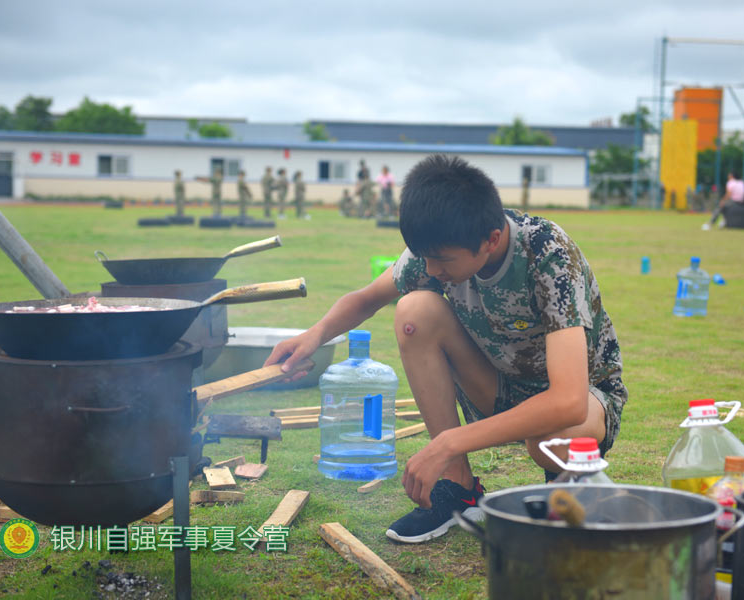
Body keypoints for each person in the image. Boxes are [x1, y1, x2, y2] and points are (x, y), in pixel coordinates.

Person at [264, 154, 627, 544]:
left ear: (490, 240)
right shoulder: (438, 248)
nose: (432, 270)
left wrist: (448, 441)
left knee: (550, 439)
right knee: (414, 310)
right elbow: (367, 299)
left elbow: (568, 402)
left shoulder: (548, 253)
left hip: (581, 407)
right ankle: (459, 488)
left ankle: (566, 487)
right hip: (496, 387)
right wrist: (313, 337)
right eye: (425, 258)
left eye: (442, 260)